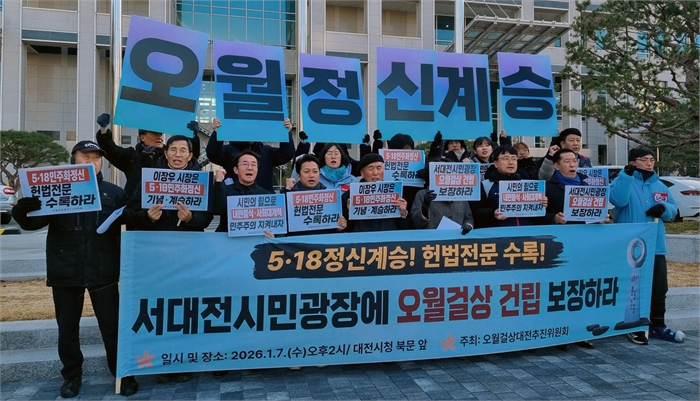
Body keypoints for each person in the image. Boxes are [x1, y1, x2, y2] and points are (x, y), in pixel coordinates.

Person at [11, 141, 138, 398]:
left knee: (112, 327)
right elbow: (32, 223)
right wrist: (22, 211)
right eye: (85, 156)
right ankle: (72, 375)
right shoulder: (54, 190)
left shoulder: (113, 193)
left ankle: (122, 374)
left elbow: (131, 223)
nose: (92, 161)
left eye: (96, 157)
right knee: (67, 329)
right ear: (73, 160)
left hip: (103, 270)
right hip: (65, 270)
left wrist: (134, 217)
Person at [610, 147, 684, 345]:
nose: (650, 163)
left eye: (651, 159)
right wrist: (626, 176)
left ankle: (658, 324)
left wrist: (663, 208)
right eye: (644, 159)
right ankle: (633, 325)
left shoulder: (659, 185)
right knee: (632, 287)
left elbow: (673, 208)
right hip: (629, 246)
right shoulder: (623, 180)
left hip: (655, 245)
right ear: (633, 162)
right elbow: (618, 200)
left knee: (659, 287)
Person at [543, 148, 597, 350]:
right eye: (567, 161)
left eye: (574, 160)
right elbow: (538, 216)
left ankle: (580, 331)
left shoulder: (586, 186)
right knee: (558, 290)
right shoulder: (547, 188)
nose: (573, 164)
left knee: (580, 288)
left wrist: (601, 217)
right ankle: (559, 333)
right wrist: (553, 218)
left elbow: (594, 213)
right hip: (558, 247)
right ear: (556, 166)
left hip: (583, 245)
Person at [95, 113, 205, 201]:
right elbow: (111, 150)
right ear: (142, 137)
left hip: (165, 206)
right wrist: (103, 130)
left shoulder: (169, 156)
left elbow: (190, 158)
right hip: (136, 210)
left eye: (160, 134)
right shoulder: (132, 157)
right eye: (154, 133)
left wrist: (193, 137)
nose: (159, 137)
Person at [131, 135, 213, 233]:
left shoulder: (202, 180)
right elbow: (134, 211)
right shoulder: (151, 177)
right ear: (166, 154)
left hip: (189, 239)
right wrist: (148, 217)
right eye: (173, 150)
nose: (177, 154)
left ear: (190, 156)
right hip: (155, 238)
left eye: (182, 150)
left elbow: (207, 217)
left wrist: (191, 218)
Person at [205, 118, 295, 192]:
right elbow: (213, 154)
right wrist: (217, 133)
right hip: (235, 199)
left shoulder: (266, 151)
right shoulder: (228, 150)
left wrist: (286, 133)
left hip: (263, 199)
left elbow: (286, 154)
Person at [473, 146, 548, 228]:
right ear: (496, 163)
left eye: (514, 159)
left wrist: (541, 203)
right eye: (505, 159)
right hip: (498, 233)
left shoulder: (527, 185)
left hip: (526, 232)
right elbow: (475, 211)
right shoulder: (485, 185)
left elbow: (538, 217)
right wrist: (493, 213)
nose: (511, 162)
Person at [342, 153, 409, 232]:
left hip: (389, 238)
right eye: (371, 168)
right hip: (361, 238)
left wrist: (403, 214)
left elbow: (406, 228)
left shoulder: (396, 193)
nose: (375, 172)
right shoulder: (350, 195)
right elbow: (344, 229)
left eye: (379, 168)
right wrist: (349, 213)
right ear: (362, 173)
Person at [282, 154, 347, 234]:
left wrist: (338, 227)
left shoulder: (329, 198)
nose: (311, 175)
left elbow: (331, 229)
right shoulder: (288, 194)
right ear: (298, 176)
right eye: (306, 172)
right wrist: (287, 190)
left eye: (315, 171)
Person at [212, 150, 273, 233]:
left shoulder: (266, 196)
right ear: (236, 170)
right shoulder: (226, 190)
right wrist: (218, 182)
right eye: (245, 164)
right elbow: (217, 210)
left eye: (254, 165)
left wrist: (272, 235)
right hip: (227, 238)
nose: (250, 168)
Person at [411, 158, 474, 235]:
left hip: (457, 239)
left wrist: (468, 225)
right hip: (432, 239)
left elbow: (468, 218)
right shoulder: (422, 194)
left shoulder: (459, 193)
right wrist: (425, 206)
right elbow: (416, 223)